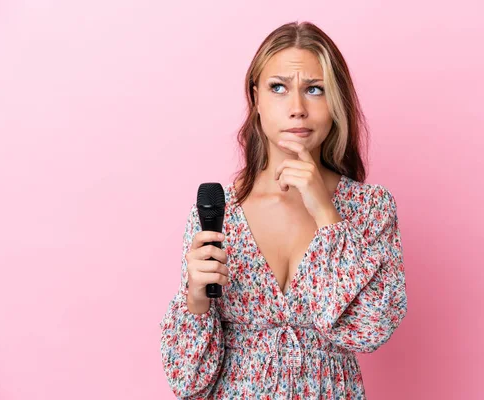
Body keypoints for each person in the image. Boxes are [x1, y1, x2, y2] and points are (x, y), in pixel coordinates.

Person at [159, 20, 408, 399]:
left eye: (314, 89)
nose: (297, 109)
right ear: (256, 98)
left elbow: (371, 329)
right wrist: (195, 299)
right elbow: (187, 380)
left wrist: (326, 213)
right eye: (279, 88)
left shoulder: (370, 208)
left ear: (336, 100)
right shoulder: (219, 213)